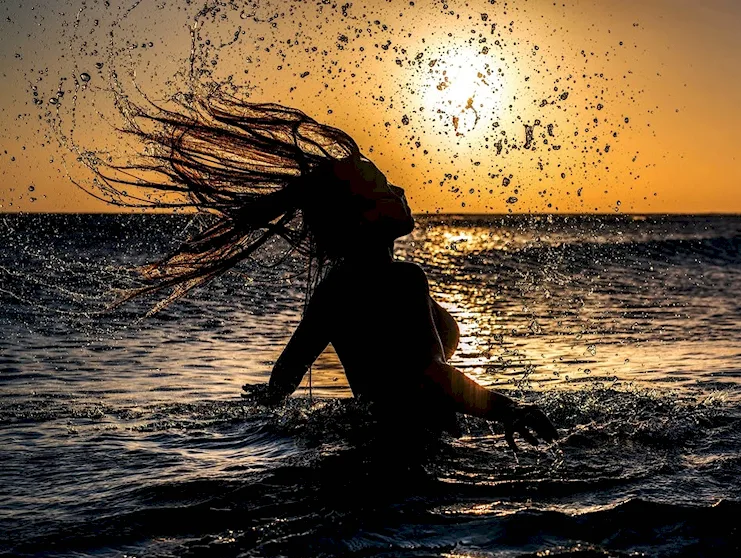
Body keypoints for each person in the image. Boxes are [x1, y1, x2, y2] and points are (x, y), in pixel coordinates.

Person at [91, 93, 557, 449]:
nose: (397, 188)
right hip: (418, 457)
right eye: (382, 188)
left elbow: (287, 374)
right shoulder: (401, 280)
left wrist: (264, 405)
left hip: (374, 449)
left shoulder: (338, 287)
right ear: (361, 218)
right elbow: (431, 376)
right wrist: (509, 409)